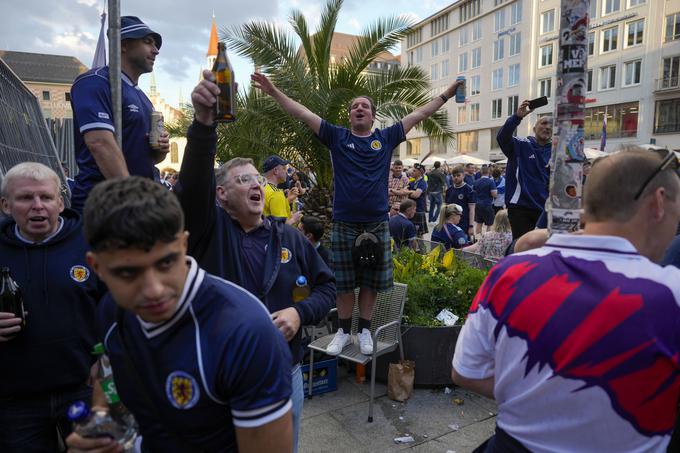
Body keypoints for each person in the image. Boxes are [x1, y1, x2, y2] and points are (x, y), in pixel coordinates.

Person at [452, 148, 680, 452]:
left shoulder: (509, 273)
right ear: (659, 202)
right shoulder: (671, 294)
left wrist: (539, 399)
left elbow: (466, 372)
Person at [67, 176, 294, 453]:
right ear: (97, 267)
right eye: (127, 272)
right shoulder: (111, 311)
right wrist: (104, 421)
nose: (153, 290)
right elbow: (110, 370)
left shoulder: (246, 333)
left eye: (165, 263)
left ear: (183, 245)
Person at [251, 71, 464, 357]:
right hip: (344, 222)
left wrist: (447, 94)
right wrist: (274, 91)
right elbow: (302, 113)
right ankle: (343, 331)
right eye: (354, 106)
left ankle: (364, 331)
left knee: (369, 283)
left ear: (373, 116)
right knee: (343, 283)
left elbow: (419, 114)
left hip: (376, 222)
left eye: (364, 105)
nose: (359, 108)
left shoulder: (386, 138)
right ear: (350, 116)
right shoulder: (336, 136)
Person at [178, 71, 335, 452]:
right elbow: (193, 184)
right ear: (221, 194)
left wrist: (300, 315)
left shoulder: (291, 238)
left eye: (256, 180)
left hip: (285, 372)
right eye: (243, 180)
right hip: (221, 375)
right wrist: (203, 123)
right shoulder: (208, 230)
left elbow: (328, 287)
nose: (255, 185)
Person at [0, 162, 104, 452]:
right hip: (14, 402)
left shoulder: (91, 243)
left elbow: (119, 304)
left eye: (45, 197)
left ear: (60, 201)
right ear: (6, 205)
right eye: (25, 198)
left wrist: (106, 356)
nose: (37, 206)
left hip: (82, 391)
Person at [69, 16, 170, 212]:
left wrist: (160, 150)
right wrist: (132, 198)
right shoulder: (94, 82)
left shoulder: (143, 98)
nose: (156, 50)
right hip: (106, 205)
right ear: (123, 45)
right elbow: (99, 143)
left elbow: (147, 158)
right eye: (148, 42)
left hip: (139, 203)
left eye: (156, 45)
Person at [496, 101, 552, 239]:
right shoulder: (521, 144)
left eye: (551, 125)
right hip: (521, 208)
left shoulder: (557, 151)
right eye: (543, 123)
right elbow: (502, 138)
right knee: (522, 249)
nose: (547, 127)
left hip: (545, 210)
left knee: (540, 250)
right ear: (534, 128)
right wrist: (517, 117)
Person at [263, 155, 302, 224]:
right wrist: (294, 219)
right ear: (275, 171)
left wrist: (288, 200)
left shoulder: (262, 188)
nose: (286, 172)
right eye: (284, 168)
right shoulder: (276, 193)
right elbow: (281, 228)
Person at [445, 166, 476, 240]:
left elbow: (472, 209)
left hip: (464, 224)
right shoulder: (449, 190)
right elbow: (446, 208)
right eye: (454, 176)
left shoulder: (469, 190)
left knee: (463, 246)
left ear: (463, 176)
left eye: (458, 175)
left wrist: (471, 226)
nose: (456, 177)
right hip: (450, 224)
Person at [472, 165, 498, 236]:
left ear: (481, 172)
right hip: (487, 205)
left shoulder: (476, 181)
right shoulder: (491, 181)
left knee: (479, 223)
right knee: (489, 224)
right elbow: (494, 194)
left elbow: (473, 193)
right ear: (489, 172)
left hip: (477, 205)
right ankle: (487, 241)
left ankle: (478, 240)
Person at [407, 163, 428, 237]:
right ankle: (413, 249)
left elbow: (416, 195)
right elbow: (403, 191)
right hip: (410, 210)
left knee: (419, 235)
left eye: (414, 171)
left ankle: (422, 249)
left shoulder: (423, 183)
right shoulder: (411, 182)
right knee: (411, 234)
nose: (412, 172)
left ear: (419, 172)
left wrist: (408, 192)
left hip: (418, 210)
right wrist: (411, 192)